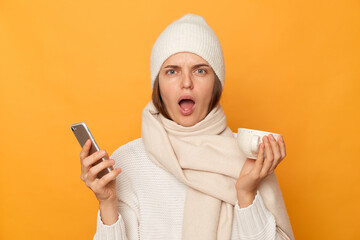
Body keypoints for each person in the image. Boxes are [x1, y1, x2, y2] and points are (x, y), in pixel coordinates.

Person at [79, 13, 295, 240]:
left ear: (216, 83)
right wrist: (107, 203)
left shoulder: (251, 161)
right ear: (158, 85)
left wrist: (246, 194)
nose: (186, 83)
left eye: (200, 70)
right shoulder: (128, 162)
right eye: (172, 71)